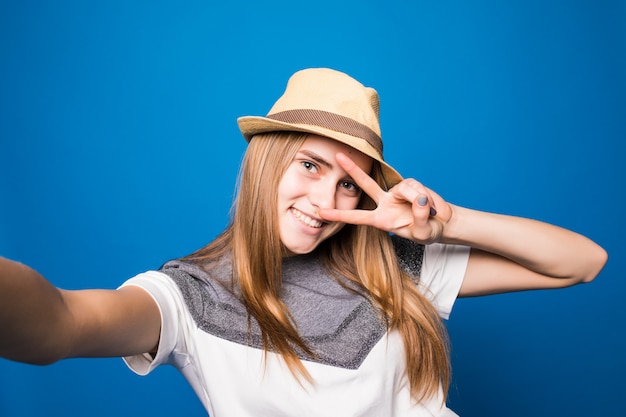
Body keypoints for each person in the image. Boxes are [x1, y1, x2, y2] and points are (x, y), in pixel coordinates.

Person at [0, 68, 607, 416]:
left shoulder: (389, 263)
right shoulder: (188, 297)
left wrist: (446, 223)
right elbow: (60, 323)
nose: (328, 203)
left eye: (350, 184)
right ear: (268, 161)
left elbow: (582, 263)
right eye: (312, 166)